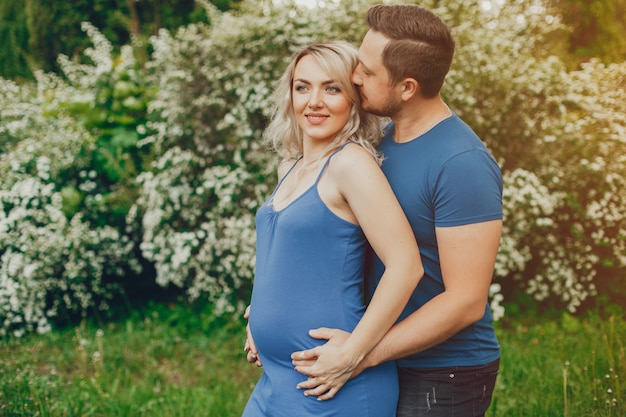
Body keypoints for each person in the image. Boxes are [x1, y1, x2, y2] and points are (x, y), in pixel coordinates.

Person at [288, 5, 503, 417]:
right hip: (380, 354)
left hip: (444, 373)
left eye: (367, 73)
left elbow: (466, 302)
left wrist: (360, 354)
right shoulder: (380, 143)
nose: (354, 78)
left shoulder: (462, 163)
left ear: (407, 87)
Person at [241, 40, 423, 417]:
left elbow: (406, 265)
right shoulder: (289, 166)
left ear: (353, 100)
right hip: (276, 378)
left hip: (333, 384)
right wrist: (259, 313)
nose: (314, 101)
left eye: (332, 88)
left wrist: (352, 352)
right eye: (303, 87)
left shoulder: (351, 164)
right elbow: (294, 260)